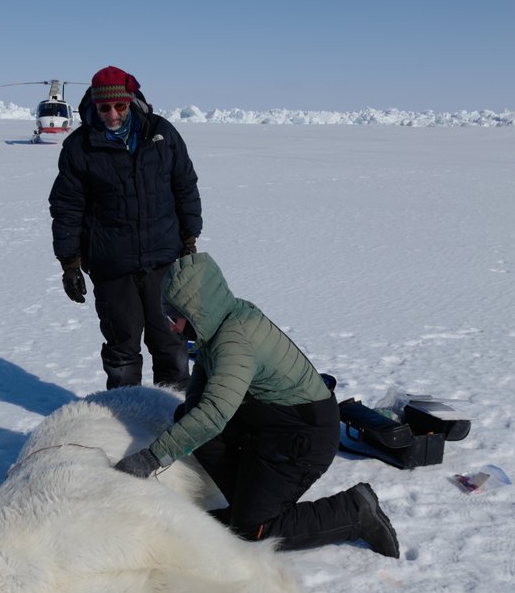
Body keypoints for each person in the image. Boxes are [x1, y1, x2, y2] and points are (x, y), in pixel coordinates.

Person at [114, 253, 400, 557]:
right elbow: (200, 403)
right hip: (273, 423)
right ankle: (247, 505)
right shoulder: (219, 325)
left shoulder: (235, 341)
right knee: (190, 418)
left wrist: (151, 458)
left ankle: (353, 512)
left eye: (175, 317)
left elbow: (213, 415)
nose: (171, 327)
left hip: (304, 437)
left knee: (253, 530)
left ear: (196, 310)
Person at [49, 65, 202, 390]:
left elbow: (185, 185)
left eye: (119, 106)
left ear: (130, 102)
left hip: (164, 262)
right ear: (95, 106)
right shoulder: (80, 147)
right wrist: (69, 263)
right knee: (122, 351)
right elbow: (67, 207)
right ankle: (125, 420)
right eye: (105, 108)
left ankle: (173, 421)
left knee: (171, 345)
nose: (113, 114)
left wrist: (189, 238)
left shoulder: (161, 134)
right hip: (112, 266)